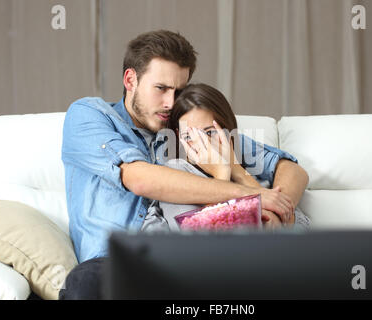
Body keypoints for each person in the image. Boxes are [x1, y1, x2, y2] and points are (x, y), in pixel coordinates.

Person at [59, 30, 309, 299]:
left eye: (178, 91)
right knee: (85, 282)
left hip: (181, 262)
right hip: (113, 264)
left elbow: (289, 169)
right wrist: (253, 195)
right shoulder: (91, 115)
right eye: (161, 88)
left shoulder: (190, 129)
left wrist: (276, 212)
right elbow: (139, 178)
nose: (170, 102)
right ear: (130, 79)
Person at [141, 83, 311, 233]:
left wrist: (235, 169)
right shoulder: (175, 171)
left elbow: (297, 221)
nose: (202, 143)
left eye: (209, 132)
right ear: (178, 137)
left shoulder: (246, 160)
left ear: (227, 131)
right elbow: (204, 235)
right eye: (189, 136)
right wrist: (221, 174)